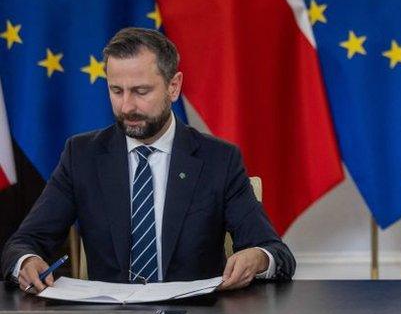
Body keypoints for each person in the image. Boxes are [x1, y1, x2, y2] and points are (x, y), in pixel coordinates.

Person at [2, 27, 295, 294]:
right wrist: (26, 261)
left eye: (141, 91)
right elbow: (23, 242)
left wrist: (257, 258)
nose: (127, 106)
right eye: (116, 91)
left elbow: (276, 253)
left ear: (173, 86)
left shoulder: (219, 159)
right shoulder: (82, 156)